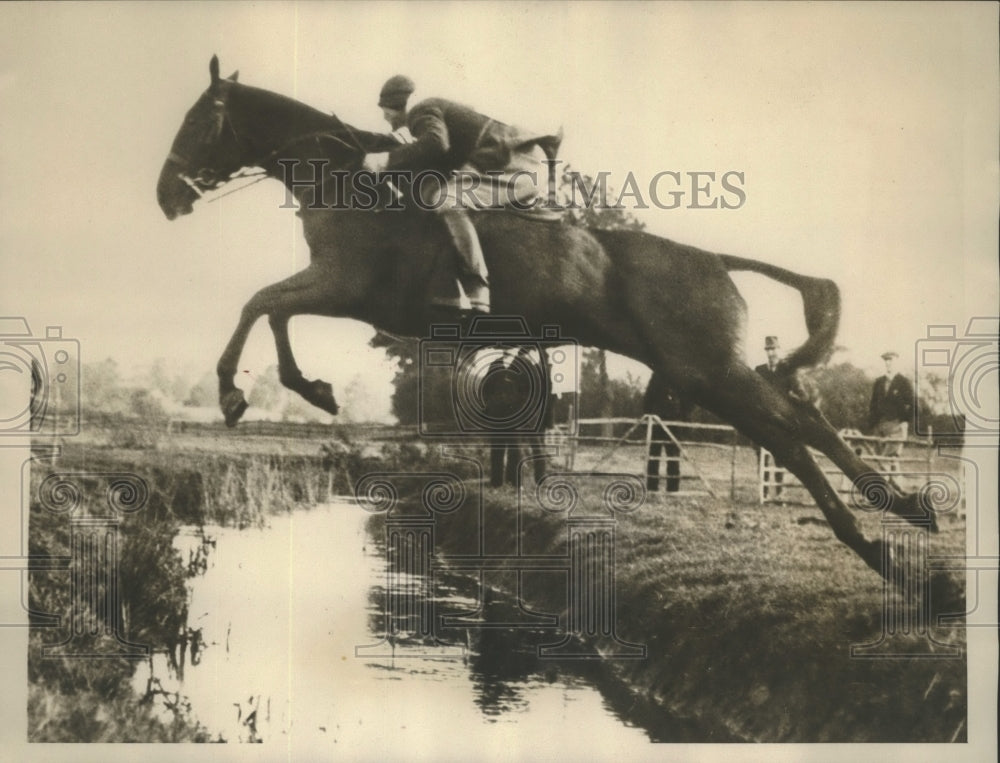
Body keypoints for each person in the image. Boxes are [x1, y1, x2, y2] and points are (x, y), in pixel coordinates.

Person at [363, 75, 557, 317]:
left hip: (518, 163)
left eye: (385, 111)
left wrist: (386, 159)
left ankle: (477, 287)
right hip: (511, 161)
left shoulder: (420, 111)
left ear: (396, 104)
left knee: (448, 200)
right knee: (440, 196)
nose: (385, 118)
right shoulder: (430, 111)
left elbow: (436, 144)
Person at [643, 376, 691, 493]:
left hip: (674, 423)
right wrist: (649, 419)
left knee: (673, 457)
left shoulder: (680, 377)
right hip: (657, 423)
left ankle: (673, 488)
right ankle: (652, 487)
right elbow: (648, 399)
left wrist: (683, 419)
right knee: (654, 456)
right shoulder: (657, 377)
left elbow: (687, 401)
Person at [868, 350, 914, 459]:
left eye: (890, 360)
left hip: (896, 425)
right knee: (880, 459)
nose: (888, 363)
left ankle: (893, 475)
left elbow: (912, 404)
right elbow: (873, 404)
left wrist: (904, 422)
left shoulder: (904, 382)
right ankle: (893, 476)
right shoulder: (879, 382)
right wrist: (873, 424)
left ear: (897, 362)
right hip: (880, 426)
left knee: (890, 457)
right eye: (886, 360)